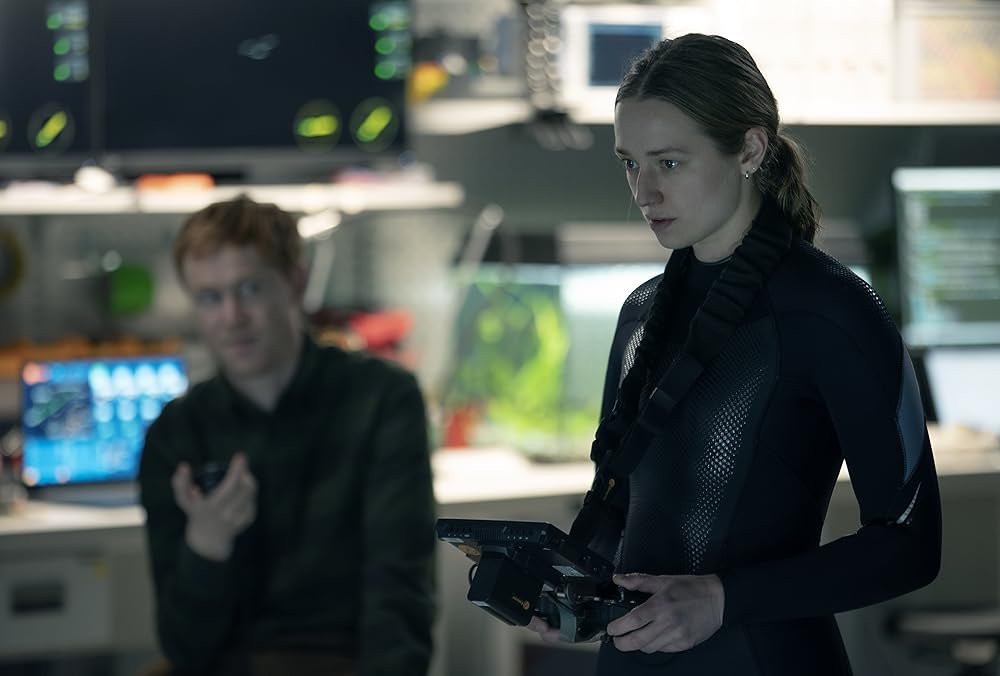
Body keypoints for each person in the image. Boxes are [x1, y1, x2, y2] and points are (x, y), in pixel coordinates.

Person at [527, 34, 941, 674]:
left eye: (669, 163)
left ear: (749, 149)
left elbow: (910, 544)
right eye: (630, 164)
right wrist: (565, 588)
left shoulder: (830, 311)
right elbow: (627, 513)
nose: (644, 192)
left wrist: (724, 599)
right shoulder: (641, 314)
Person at [138, 196, 436, 676]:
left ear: (296, 282)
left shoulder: (380, 400)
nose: (232, 316)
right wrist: (206, 545)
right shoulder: (177, 435)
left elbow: (399, 597)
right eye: (210, 297)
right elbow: (184, 648)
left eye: (249, 289)